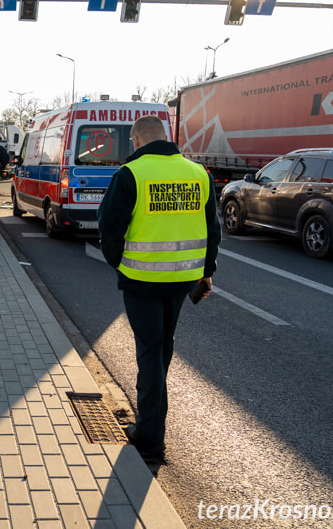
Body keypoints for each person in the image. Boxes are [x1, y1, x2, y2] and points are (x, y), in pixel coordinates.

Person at [97, 115, 221, 473]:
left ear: (136, 139)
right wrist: (206, 272)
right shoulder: (199, 174)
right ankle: (152, 416)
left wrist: (118, 262)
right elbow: (212, 228)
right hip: (183, 280)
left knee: (151, 352)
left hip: (142, 280)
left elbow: (109, 226)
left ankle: (150, 438)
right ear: (166, 138)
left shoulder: (130, 174)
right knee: (163, 347)